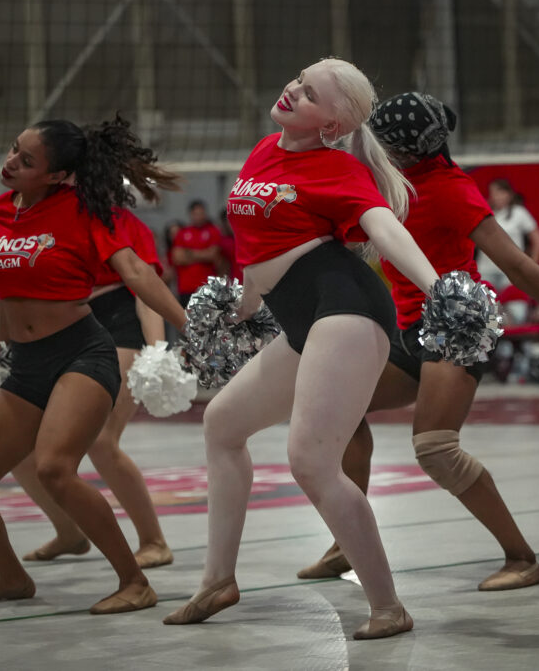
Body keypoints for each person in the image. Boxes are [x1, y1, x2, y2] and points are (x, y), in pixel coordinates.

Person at [163, 58, 454, 640]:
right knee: (222, 424)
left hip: (346, 309)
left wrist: (438, 290)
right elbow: (256, 247)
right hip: (298, 318)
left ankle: (388, 606)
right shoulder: (264, 150)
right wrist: (239, 310)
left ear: (331, 124)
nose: (292, 90)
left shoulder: (337, 168)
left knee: (311, 462)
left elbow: (384, 229)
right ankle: (218, 579)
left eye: (310, 93)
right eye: (296, 79)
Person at [294, 91, 539, 590]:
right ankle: (344, 545)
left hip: (456, 327)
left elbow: (518, 266)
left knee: (436, 448)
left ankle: (521, 557)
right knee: (337, 415)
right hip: (407, 329)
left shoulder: (448, 189)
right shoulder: (387, 182)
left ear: (403, 150)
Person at [0, 115, 187, 614]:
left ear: (55, 176)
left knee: (55, 467)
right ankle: (12, 579)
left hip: (82, 352)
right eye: (14, 149)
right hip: (26, 365)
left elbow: (136, 272)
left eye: (26, 160)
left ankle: (135, 580)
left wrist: (186, 326)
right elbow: (3, 292)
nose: (11, 162)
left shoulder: (82, 210)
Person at [8, 210, 174, 569]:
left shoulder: (122, 221)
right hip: (67, 328)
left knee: (101, 440)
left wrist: (157, 351)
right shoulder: (34, 219)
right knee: (18, 449)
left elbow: (145, 288)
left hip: (119, 321)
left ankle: (153, 540)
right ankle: (69, 533)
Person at [474, 179, 539, 290]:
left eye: (501, 192)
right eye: (494, 193)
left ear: (509, 194)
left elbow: (538, 240)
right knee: (484, 305)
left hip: (512, 269)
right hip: (486, 268)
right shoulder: (485, 212)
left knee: (515, 305)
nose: (498, 196)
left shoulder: (519, 212)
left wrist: (532, 266)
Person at [171, 200, 227, 307]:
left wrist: (188, 253)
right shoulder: (182, 233)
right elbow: (177, 258)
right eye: (196, 214)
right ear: (191, 214)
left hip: (208, 287)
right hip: (186, 288)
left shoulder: (213, 231)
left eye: (201, 213)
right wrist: (203, 254)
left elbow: (212, 255)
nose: (199, 217)